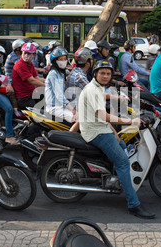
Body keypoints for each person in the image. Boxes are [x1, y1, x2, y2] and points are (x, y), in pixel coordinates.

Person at [77, 60, 155, 219]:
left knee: (121, 142)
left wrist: (118, 97)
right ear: (95, 74)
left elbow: (103, 95)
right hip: (96, 131)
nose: (105, 76)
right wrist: (130, 121)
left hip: (98, 126)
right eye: (102, 73)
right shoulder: (93, 90)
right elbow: (104, 116)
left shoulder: (97, 87)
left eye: (108, 73)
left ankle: (118, 175)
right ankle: (133, 205)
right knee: (123, 162)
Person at [45, 47, 77, 123]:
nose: (63, 61)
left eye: (64, 59)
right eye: (60, 59)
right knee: (77, 118)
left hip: (62, 106)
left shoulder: (62, 72)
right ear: (55, 61)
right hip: (55, 107)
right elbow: (59, 95)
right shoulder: (53, 74)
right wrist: (71, 108)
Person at [11, 42, 45, 110]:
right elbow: (32, 80)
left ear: (34, 54)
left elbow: (36, 77)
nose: (26, 55)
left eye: (29, 53)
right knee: (38, 115)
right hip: (24, 97)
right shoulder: (20, 65)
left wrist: (49, 81)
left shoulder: (30, 64)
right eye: (24, 53)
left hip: (31, 94)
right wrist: (46, 86)